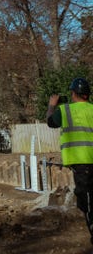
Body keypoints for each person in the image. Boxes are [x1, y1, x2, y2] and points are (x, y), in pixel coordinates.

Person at [47, 76, 93, 242]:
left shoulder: (64, 110)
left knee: (86, 202)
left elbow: (51, 122)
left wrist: (52, 105)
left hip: (81, 164)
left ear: (73, 94)